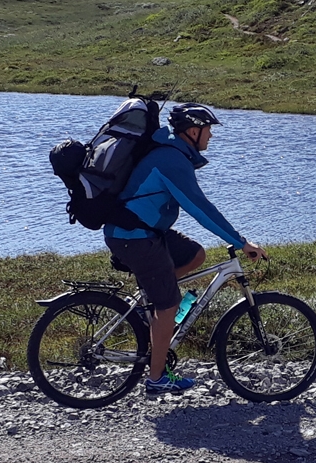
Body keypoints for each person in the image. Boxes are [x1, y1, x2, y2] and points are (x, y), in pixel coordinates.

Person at [104, 102, 266, 395]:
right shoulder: (171, 161)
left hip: (144, 232)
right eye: (208, 130)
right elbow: (200, 209)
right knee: (169, 306)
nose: (211, 137)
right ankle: (156, 380)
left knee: (195, 255)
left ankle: (155, 303)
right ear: (193, 131)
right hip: (134, 237)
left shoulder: (173, 153)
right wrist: (241, 243)